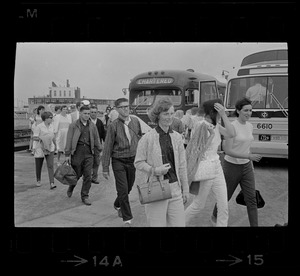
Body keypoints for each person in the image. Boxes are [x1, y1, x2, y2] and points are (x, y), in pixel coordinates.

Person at [134, 97, 189, 227]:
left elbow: (182, 165)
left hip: (175, 188)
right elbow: (138, 162)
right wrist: (155, 170)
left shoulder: (177, 137)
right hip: (156, 188)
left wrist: (185, 189)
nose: (169, 117)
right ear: (157, 115)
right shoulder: (147, 138)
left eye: (172, 113)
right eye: (166, 114)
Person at [184, 99, 236, 227]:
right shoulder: (201, 125)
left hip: (216, 166)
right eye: (220, 111)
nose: (222, 113)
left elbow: (231, 133)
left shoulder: (216, 126)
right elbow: (197, 149)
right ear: (214, 112)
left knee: (223, 204)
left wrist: (224, 115)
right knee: (198, 205)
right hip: (205, 167)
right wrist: (212, 133)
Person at [212, 97, 262, 226]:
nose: (249, 113)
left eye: (250, 110)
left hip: (246, 167)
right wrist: (249, 156)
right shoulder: (232, 126)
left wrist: (249, 161)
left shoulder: (250, 126)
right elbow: (227, 150)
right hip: (231, 167)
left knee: (251, 199)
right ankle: (214, 217)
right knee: (225, 197)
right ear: (238, 111)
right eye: (246, 110)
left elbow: (247, 146)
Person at [102, 98, 142, 227]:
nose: (126, 109)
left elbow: (140, 138)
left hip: (132, 160)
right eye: (123, 107)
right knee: (123, 190)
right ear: (117, 109)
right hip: (118, 160)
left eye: (127, 106)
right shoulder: (113, 126)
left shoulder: (135, 121)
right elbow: (107, 147)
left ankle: (117, 204)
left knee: (128, 187)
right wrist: (105, 168)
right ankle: (127, 219)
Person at [64, 105, 102, 205]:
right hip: (77, 152)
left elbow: (96, 138)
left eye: (88, 113)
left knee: (88, 176)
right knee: (77, 174)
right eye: (85, 113)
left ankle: (85, 196)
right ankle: (71, 186)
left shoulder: (92, 125)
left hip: (89, 153)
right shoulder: (73, 125)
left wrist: (99, 149)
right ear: (80, 113)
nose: (87, 115)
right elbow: (69, 139)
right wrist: (67, 154)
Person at [32, 111, 57, 189]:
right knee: (39, 165)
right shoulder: (39, 127)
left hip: (50, 148)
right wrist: (43, 138)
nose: (52, 119)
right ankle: (38, 180)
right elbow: (34, 137)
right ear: (45, 119)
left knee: (50, 165)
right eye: (50, 118)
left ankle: (52, 183)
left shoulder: (52, 126)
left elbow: (53, 137)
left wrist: (55, 145)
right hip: (40, 148)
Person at [89, 105, 106, 184]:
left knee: (96, 162)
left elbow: (103, 134)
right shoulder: (87, 121)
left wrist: (104, 143)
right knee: (88, 162)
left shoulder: (99, 122)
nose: (93, 114)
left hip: (97, 146)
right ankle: (87, 177)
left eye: (95, 112)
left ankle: (94, 177)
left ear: (97, 112)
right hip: (88, 145)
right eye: (91, 112)